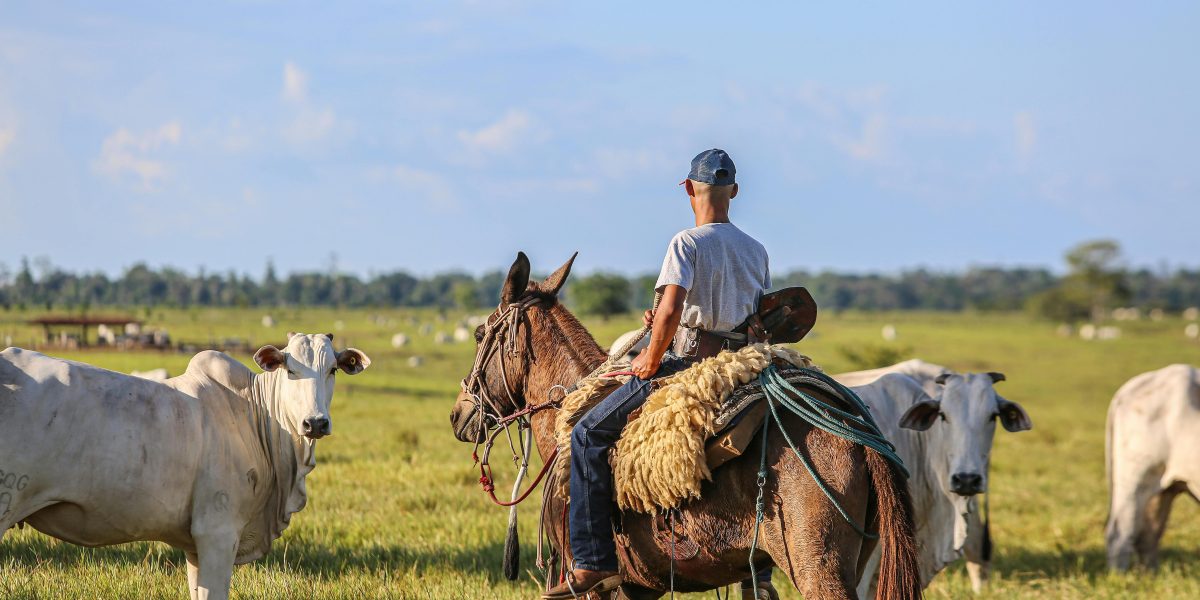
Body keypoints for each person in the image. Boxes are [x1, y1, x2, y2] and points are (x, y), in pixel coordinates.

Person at [543, 149, 774, 599]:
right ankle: (758, 576)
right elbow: (752, 317)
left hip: (691, 364)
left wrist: (650, 357)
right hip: (741, 365)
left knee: (587, 434)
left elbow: (671, 309)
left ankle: (592, 562)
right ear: (734, 191)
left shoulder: (686, 243)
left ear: (689, 189)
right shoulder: (756, 249)